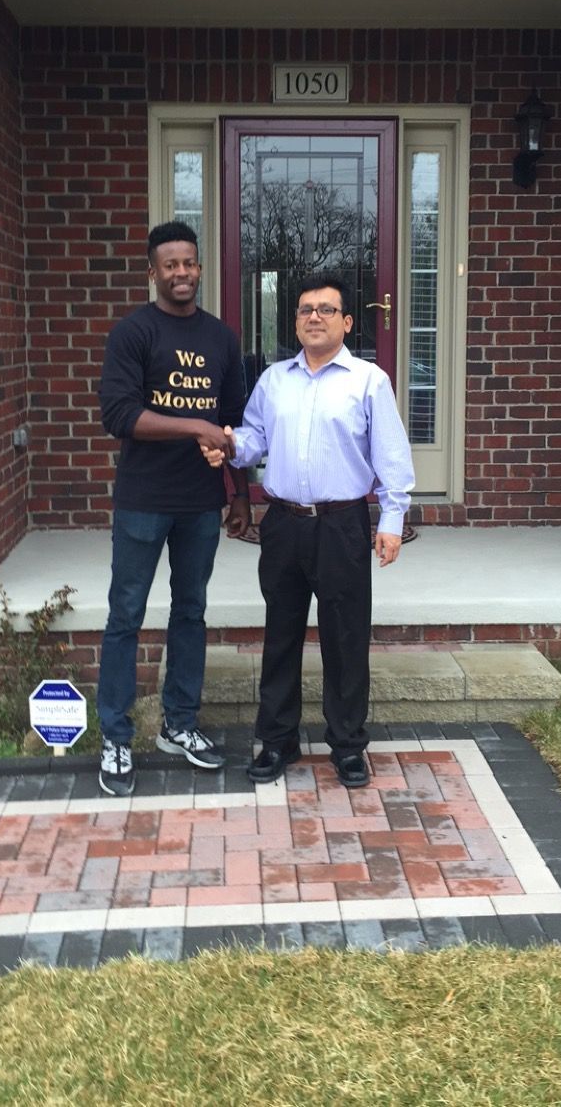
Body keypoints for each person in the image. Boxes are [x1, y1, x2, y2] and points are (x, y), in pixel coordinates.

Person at [202, 274, 414, 790]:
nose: (313, 317)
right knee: (280, 636)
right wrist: (229, 447)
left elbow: (391, 456)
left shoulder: (369, 381)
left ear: (346, 321)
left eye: (325, 309)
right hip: (284, 524)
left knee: (346, 639)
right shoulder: (275, 380)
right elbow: (254, 439)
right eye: (304, 310)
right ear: (294, 322)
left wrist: (391, 520)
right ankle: (277, 739)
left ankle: (347, 745)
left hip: (341, 524)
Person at [96, 221, 249, 796]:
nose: (181, 273)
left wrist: (239, 495)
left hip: (200, 503)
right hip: (142, 500)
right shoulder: (133, 333)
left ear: (199, 268)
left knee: (190, 613)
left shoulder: (221, 338)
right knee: (125, 617)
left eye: (189, 263)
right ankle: (115, 735)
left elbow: (233, 423)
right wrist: (194, 424)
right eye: (170, 264)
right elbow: (119, 415)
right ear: (153, 271)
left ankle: (178, 725)